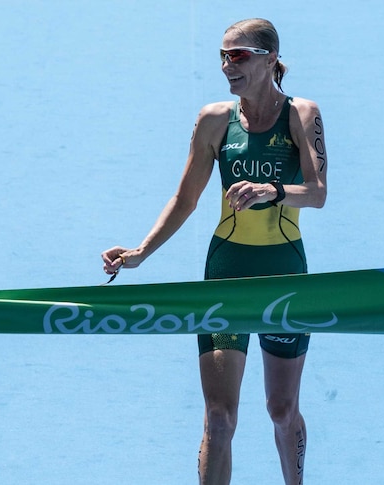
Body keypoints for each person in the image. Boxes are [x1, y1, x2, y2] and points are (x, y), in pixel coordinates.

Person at [101, 18, 327, 485]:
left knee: (282, 410)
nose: (228, 65)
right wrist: (142, 251)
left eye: (239, 55)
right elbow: (184, 199)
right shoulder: (213, 120)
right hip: (225, 272)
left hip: (284, 274)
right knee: (219, 417)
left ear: (269, 58)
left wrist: (272, 190)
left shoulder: (302, 113)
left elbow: (317, 192)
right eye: (223, 56)